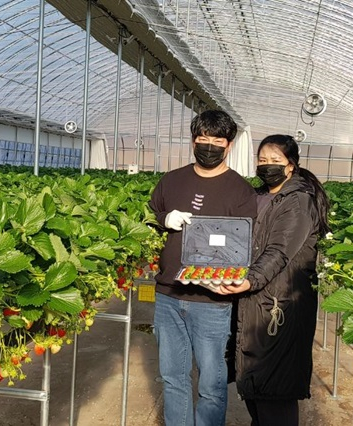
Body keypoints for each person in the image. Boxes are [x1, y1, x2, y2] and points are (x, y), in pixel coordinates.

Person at [212, 134, 330, 426]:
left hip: (280, 304)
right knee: (256, 384)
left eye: (275, 160)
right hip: (256, 299)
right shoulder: (259, 196)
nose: (267, 165)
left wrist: (249, 280)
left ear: (291, 165)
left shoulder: (298, 201)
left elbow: (279, 251)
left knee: (275, 389)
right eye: (262, 160)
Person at [149, 109, 258, 426]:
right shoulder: (171, 181)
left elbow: (243, 246)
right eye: (202, 139)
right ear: (193, 141)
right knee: (173, 378)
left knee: (211, 384)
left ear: (229, 145)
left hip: (212, 300)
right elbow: (147, 217)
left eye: (217, 141)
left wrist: (221, 276)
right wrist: (163, 219)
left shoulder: (240, 191)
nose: (209, 146)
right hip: (169, 294)